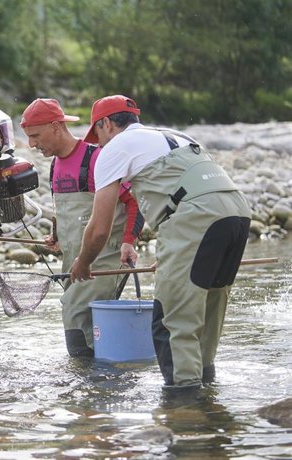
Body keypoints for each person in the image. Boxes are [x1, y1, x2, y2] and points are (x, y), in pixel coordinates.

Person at [70, 95, 251, 391]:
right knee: (208, 307)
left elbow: (99, 229)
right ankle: (207, 398)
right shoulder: (174, 135)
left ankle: (183, 406)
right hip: (237, 212)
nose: (98, 143)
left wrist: (83, 262)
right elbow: (181, 187)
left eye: (97, 134)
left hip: (195, 217)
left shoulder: (114, 149)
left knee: (170, 320)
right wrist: (173, 258)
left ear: (105, 124)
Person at [20, 98, 143, 357]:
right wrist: (58, 235)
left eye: (35, 136)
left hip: (104, 259)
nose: (31, 144)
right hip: (75, 262)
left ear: (56, 126)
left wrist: (129, 241)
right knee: (83, 325)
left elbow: (134, 202)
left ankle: (85, 390)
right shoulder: (55, 164)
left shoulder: (97, 157)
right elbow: (70, 212)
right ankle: (101, 384)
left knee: (75, 317)